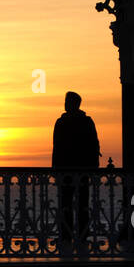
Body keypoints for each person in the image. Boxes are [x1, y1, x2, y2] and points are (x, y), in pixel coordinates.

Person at [52, 91, 100, 254]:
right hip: (74, 171)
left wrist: (55, 169)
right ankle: (74, 234)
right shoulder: (84, 122)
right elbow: (57, 148)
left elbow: (57, 149)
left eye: (67, 101)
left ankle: (73, 235)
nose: (65, 104)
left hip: (75, 171)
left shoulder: (66, 122)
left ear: (74, 103)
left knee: (76, 205)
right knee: (74, 204)